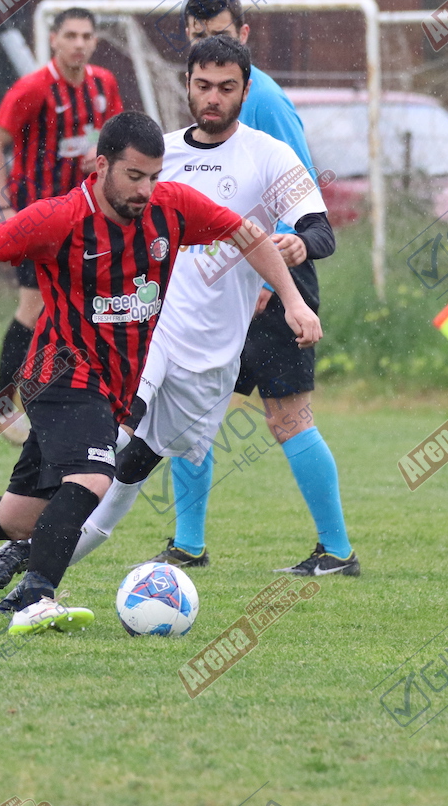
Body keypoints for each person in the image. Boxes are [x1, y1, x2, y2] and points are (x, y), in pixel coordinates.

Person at [0, 110, 321, 635]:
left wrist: (293, 300)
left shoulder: (171, 207)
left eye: (154, 176)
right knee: (94, 477)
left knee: (19, 517)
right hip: (60, 373)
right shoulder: (59, 218)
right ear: (102, 167)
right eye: (134, 176)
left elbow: (248, 235)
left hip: (113, 386)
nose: (145, 190)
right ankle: (37, 599)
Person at [62, 35, 356, 577]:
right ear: (188, 85)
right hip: (162, 325)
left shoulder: (270, 153)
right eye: (203, 85)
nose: (213, 97)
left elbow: (320, 229)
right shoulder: (160, 155)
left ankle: (337, 550)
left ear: (246, 88)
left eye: (226, 87)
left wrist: (298, 245)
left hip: (253, 315)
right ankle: (166, 544)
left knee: (281, 421)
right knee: (125, 434)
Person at [162, 0, 355, 575]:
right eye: (198, 37)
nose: (210, 45)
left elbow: (301, 202)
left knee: (287, 416)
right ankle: (187, 545)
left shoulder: (262, 102)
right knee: (189, 418)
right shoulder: (187, 128)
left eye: (220, 34)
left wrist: (274, 283)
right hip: (213, 299)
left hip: (270, 289)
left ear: (243, 37)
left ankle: (337, 550)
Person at [0, 8, 124, 450]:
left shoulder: (103, 84)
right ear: (54, 39)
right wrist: (3, 206)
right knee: (33, 306)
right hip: (37, 218)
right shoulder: (34, 88)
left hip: (84, 219)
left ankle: (78, 399)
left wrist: (101, 155)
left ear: (95, 41)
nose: (79, 43)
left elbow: (115, 138)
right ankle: (1, 408)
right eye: (71, 35)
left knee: (85, 308)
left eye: (86, 35)